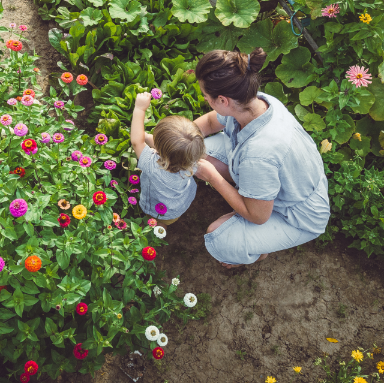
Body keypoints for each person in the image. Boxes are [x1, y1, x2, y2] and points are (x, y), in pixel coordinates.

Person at [193, 48, 330, 269]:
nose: (205, 99)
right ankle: (252, 200)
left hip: (299, 215)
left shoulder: (259, 154)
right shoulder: (256, 102)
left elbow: (257, 216)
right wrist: (180, 136)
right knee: (197, 150)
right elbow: (210, 123)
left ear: (222, 100)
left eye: (206, 96)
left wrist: (212, 176)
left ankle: (258, 252)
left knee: (219, 239)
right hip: (285, 181)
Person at [131, 92, 205, 227]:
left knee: (156, 222)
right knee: (165, 221)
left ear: (159, 151)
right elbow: (172, 153)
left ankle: (156, 231)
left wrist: (139, 109)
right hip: (177, 207)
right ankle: (163, 227)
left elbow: (136, 141)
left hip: (156, 209)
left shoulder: (152, 165)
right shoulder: (192, 161)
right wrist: (148, 138)